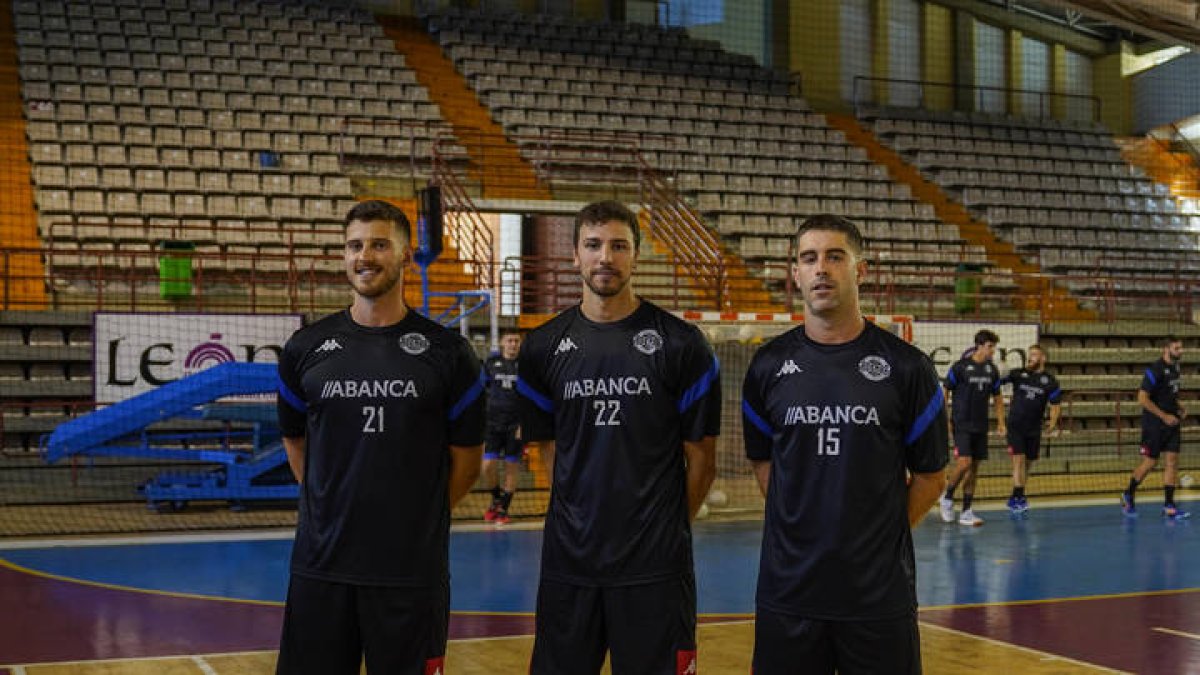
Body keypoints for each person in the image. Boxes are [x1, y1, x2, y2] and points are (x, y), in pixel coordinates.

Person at [275, 200, 486, 675]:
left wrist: (415, 518)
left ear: (406, 256)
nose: (364, 256)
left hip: (410, 573)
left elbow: (468, 461)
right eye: (354, 246)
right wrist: (331, 503)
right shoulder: (305, 348)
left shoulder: (449, 353)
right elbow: (295, 439)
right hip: (322, 566)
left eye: (379, 245)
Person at [516, 200, 721, 675]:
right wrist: (578, 514)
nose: (605, 256)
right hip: (571, 562)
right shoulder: (542, 347)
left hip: (655, 568)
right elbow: (549, 449)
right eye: (593, 245)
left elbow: (703, 460)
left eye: (618, 246)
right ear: (574, 256)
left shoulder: (681, 344)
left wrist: (665, 530)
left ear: (636, 256)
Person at [741, 214, 947, 674]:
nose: (821, 269)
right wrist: (802, 530)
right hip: (788, 594)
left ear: (861, 269)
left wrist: (875, 540)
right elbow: (763, 463)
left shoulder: (908, 368)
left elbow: (932, 477)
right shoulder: (767, 367)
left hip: (877, 597)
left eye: (835, 257)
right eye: (809, 258)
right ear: (795, 273)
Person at [939, 329, 1005, 526]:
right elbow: (945, 392)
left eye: (994, 347)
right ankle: (947, 496)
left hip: (981, 425)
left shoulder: (992, 370)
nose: (993, 350)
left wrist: (1001, 422)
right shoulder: (960, 367)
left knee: (974, 469)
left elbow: (998, 399)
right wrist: (945, 418)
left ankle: (967, 511)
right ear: (980, 345)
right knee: (964, 462)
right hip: (961, 423)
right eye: (990, 346)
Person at [1122, 336, 1188, 519]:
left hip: (1172, 423)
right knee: (1150, 462)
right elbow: (1142, 398)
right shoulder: (1154, 370)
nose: (1181, 351)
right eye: (1177, 348)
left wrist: (1179, 407)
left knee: (1172, 461)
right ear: (1166, 349)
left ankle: (1169, 505)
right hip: (1155, 425)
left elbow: (1170, 393)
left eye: (1181, 348)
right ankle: (1129, 493)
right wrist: (1164, 416)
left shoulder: (1176, 368)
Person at [1000, 344, 1062, 515]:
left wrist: (1053, 422)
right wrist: (1000, 369)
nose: (1030, 357)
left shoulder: (1050, 381)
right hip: (1015, 425)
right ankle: (1019, 498)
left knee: (1028, 463)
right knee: (1018, 459)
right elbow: (997, 382)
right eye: (1029, 354)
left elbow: (1056, 405)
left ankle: (1015, 496)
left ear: (1043, 358)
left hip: (1034, 428)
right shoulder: (1018, 374)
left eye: (1034, 355)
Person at [482, 330, 523, 524]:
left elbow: (529, 399)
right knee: (487, 466)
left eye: (516, 341)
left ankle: (503, 510)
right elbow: (480, 391)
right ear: (501, 343)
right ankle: (497, 499)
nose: (513, 344)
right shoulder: (490, 364)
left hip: (515, 425)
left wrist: (524, 423)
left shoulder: (525, 367)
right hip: (492, 424)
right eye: (509, 341)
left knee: (511, 468)